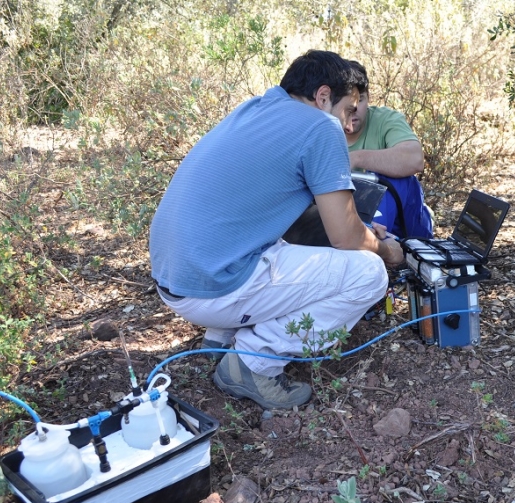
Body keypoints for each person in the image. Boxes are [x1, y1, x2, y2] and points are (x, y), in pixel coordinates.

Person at [148, 50, 404, 410]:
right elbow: (345, 237)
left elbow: (279, 210)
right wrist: (385, 249)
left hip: (174, 277)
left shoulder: (254, 109)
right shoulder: (321, 126)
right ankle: (252, 363)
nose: (349, 125)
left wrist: (355, 227)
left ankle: (221, 339)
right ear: (323, 97)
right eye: (348, 110)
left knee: (282, 239)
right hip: (214, 289)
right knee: (369, 274)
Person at [345, 61, 434, 239]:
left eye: (359, 100)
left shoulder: (385, 119)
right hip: (344, 217)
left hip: (400, 219)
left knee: (391, 178)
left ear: (368, 97)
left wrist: (355, 158)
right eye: (346, 102)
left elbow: (415, 159)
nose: (353, 110)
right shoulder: (321, 128)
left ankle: (386, 244)